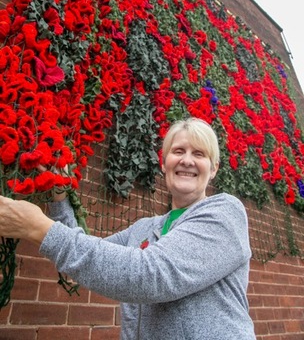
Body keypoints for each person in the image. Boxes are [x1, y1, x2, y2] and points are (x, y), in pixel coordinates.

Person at [0, 118, 256, 339]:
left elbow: (150, 275)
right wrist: (59, 198)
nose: (187, 160)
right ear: (165, 163)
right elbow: (89, 259)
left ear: (213, 169)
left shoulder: (225, 213)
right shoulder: (144, 228)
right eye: (178, 151)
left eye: (199, 154)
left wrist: (37, 227)